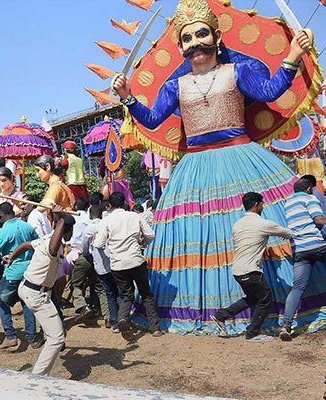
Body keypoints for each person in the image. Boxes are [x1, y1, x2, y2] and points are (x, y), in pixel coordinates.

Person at [111, 0, 314, 334]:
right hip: (194, 169)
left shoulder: (237, 71)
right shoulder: (176, 86)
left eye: (202, 34)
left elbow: (270, 90)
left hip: (241, 155)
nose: (196, 43)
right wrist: (128, 95)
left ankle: (278, 306)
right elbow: (150, 118)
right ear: (180, 46)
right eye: (188, 38)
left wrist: (292, 53)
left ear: (217, 37)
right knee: (197, 240)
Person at [211, 192, 292, 340]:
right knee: (265, 299)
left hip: (238, 270)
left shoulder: (238, 225)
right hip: (251, 271)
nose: (263, 206)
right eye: (262, 203)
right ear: (256, 205)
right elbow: (288, 233)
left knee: (253, 298)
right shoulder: (263, 223)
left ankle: (221, 316)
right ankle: (252, 332)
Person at [9, 210, 74, 375]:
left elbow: (25, 246)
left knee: (55, 329)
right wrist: (61, 218)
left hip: (30, 289)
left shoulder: (46, 239)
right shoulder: (52, 244)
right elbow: (52, 248)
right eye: (71, 230)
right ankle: (38, 376)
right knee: (57, 337)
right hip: (36, 293)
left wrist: (11, 257)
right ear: (66, 230)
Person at [93, 192, 162, 340]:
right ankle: (155, 327)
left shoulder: (106, 221)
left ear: (109, 205)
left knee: (126, 295)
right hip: (136, 260)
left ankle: (122, 318)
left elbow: (98, 244)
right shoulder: (135, 216)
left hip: (118, 264)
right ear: (124, 202)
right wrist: (142, 242)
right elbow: (150, 235)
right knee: (146, 293)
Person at [0, 202, 40, 350]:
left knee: (2, 302)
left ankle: (10, 336)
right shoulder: (27, 226)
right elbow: (38, 243)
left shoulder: (4, 231)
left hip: (13, 272)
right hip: (29, 271)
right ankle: (32, 338)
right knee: (26, 303)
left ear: (0, 216)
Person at [281, 179, 326, 341]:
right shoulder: (310, 198)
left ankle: (286, 325)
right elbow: (319, 220)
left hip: (299, 250)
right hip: (317, 245)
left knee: (297, 287)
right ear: (308, 189)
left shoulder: (288, 204)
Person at [87, 205, 120, 331]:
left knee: (109, 294)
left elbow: (90, 246)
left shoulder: (90, 229)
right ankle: (119, 318)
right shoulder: (110, 225)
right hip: (114, 264)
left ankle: (113, 321)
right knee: (118, 292)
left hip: (100, 266)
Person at [34, 155, 75, 223]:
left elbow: (42, 207)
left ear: (48, 167)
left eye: (38, 170)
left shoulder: (56, 186)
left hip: (63, 225)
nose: (37, 175)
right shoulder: (57, 184)